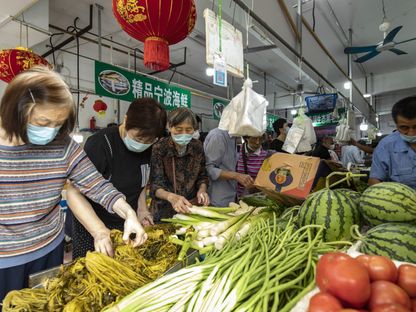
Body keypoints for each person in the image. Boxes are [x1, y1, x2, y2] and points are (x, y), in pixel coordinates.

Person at [0, 67, 146, 302]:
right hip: (4, 259)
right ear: (14, 111)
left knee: (48, 303)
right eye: (42, 122)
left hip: (48, 248)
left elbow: (96, 185)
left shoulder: (63, 145)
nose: (49, 132)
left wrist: (129, 213)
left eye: (57, 124)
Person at [69, 98, 167, 258]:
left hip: (126, 222)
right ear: (126, 120)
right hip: (94, 227)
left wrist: (142, 210)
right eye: (139, 138)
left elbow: (140, 181)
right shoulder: (101, 144)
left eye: (150, 141)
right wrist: (99, 231)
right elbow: (74, 193)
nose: (142, 144)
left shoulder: (148, 148)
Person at [150, 108, 209, 221]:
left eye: (188, 129)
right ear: (169, 127)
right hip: (164, 213)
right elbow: (155, 186)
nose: (184, 134)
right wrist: (171, 197)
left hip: (190, 209)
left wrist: (202, 190)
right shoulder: (159, 148)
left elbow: (202, 176)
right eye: (179, 129)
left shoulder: (197, 147)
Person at [369, 96, 416, 188]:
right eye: (404, 127)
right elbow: (374, 180)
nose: (411, 133)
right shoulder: (386, 146)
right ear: (396, 125)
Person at [204, 128, 253, 207]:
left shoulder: (233, 137)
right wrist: (236, 176)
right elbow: (209, 169)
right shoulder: (218, 136)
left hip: (229, 197)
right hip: (216, 199)